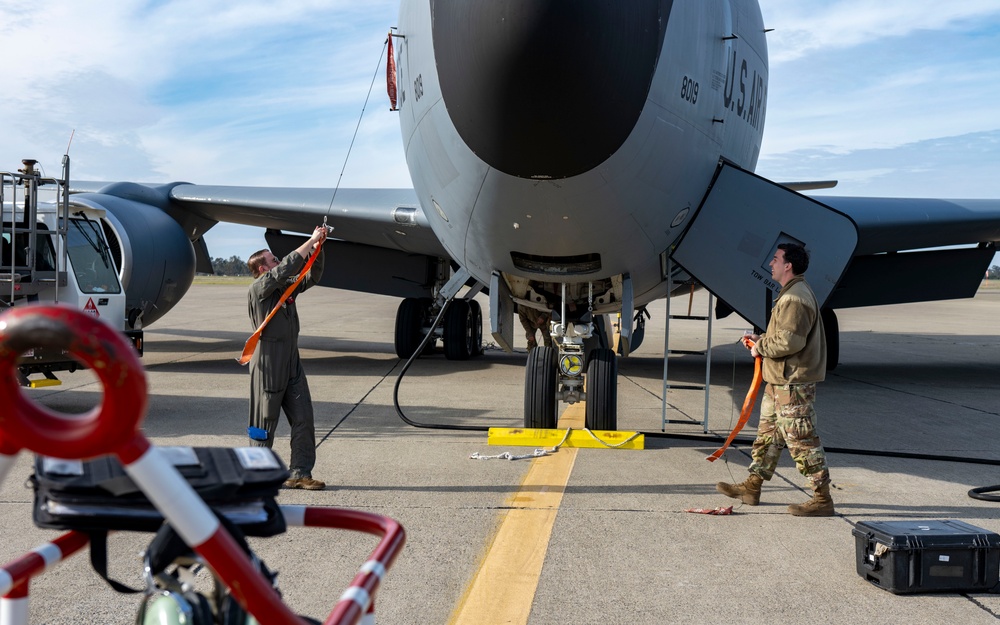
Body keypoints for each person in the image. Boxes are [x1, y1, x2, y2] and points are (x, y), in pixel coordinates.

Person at [716, 243, 834, 516]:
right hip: (779, 382)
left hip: (792, 384)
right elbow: (783, 337)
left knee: (802, 441)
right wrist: (762, 340)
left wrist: (761, 348)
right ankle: (752, 487)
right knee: (767, 437)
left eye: (776, 259)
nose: (771, 263)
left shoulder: (795, 298)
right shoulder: (791, 293)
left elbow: (791, 341)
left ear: (788, 265)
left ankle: (822, 499)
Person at [246, 226, 327, 490]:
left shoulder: (284, 289)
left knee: (303, 417)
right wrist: (309, 241)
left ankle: (300, 473)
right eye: (272, 260)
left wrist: (318, 250)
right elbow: (287, 268)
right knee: (263, 422)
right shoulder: (260, 289)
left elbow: (311, 277)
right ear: (262, 269)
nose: (277, 262)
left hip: (291, 360)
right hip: (268, 363)